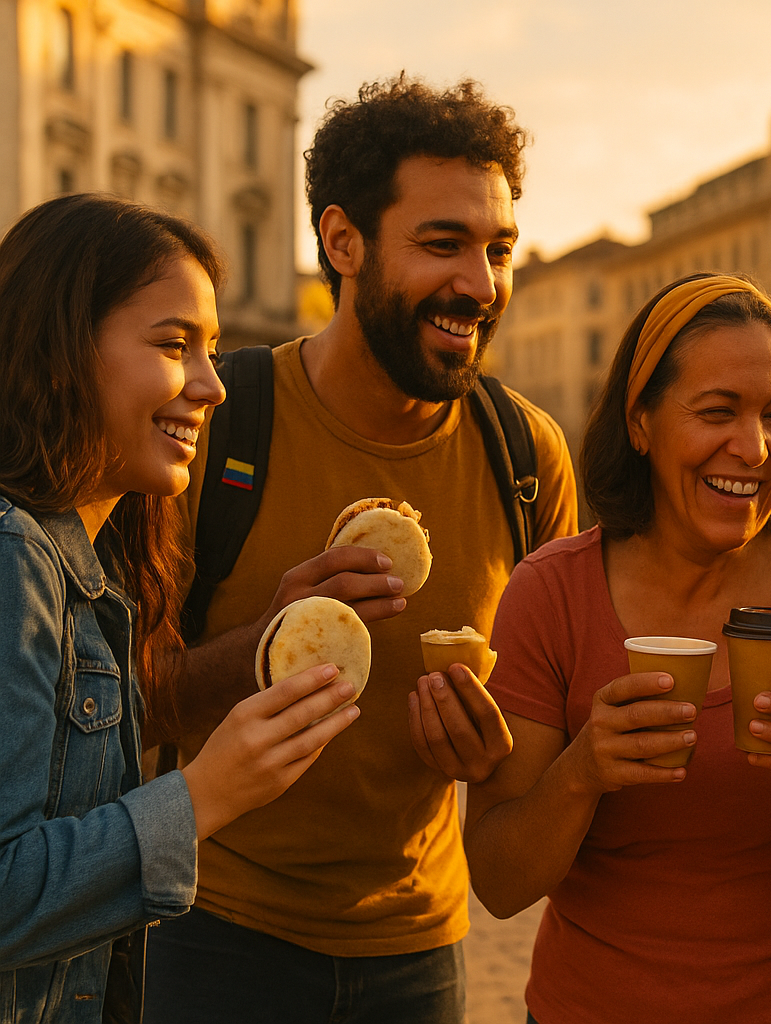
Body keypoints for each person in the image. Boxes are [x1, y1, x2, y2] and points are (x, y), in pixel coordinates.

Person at [141, 77, 579, 1023]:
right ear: (343, 242)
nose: (480, 283)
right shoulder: (216, 423)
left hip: (420, 951)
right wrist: (263, 645)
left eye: (499, 249)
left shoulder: (528, 459)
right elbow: (116, 705)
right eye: (442, 243)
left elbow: (546, 741)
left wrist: (494, 748)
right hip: (208, 929)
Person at [463, 273, 771, 1024]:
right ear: (641, 424)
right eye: (717, 412)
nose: (754, 448)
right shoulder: (549, 594)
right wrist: (583, 771)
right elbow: (501, 886)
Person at [0, 194, 359, 1023]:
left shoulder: (90, 565)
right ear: (61, 349)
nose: (212, 385)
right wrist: (207, 794)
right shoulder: (17, 557)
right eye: (172, 345)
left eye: (212, 347)